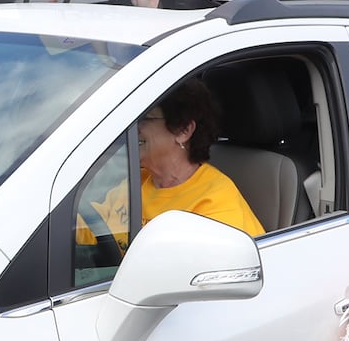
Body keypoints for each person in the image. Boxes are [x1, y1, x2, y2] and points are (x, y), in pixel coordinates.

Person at [87, 78, 265, 243]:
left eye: (145, 119)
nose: (134, 129)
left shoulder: (215, 202)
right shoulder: (137, 181)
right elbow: (91, 230)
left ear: (183, 130)